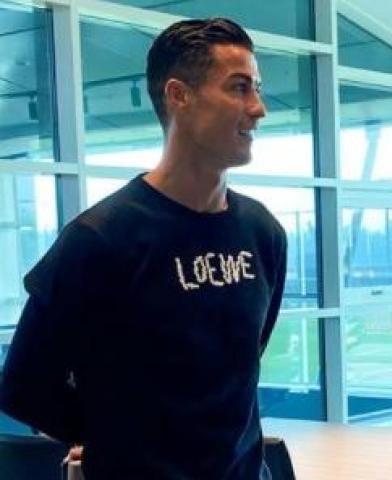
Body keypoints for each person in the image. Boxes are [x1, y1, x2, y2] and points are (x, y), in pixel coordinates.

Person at [0, 17, 286, 480]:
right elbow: (23, 387)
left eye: (256, 88)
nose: (258, 108)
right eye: (239, 88)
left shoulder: (262, 233)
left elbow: (240, 372)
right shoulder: (100, 239)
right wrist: (118, 439)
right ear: (179, 96)